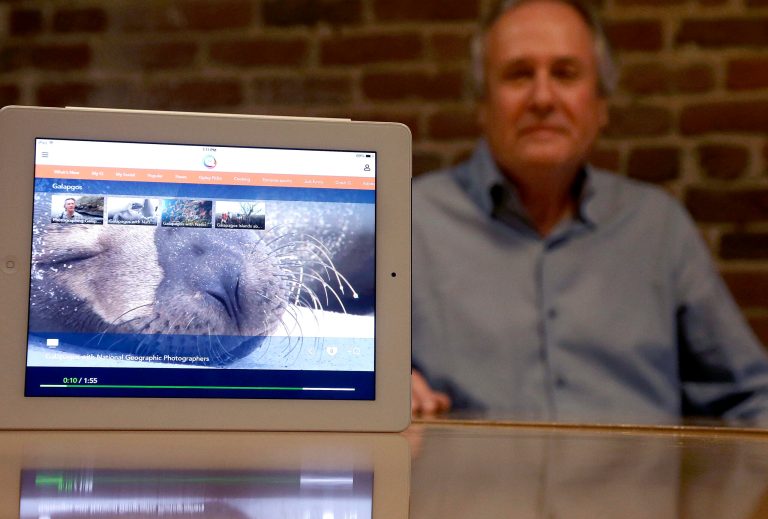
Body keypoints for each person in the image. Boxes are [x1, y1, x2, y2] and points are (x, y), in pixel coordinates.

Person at [411, 0, 768, 424]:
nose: (543, 98)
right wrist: (373, 389)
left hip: (641, 470)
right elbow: (343, 374)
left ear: (601, 105)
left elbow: (751, 397)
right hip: (467, 470)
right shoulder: (409, 221)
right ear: (482, 105)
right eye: (519, 74)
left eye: (565, 74)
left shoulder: (658, 226)